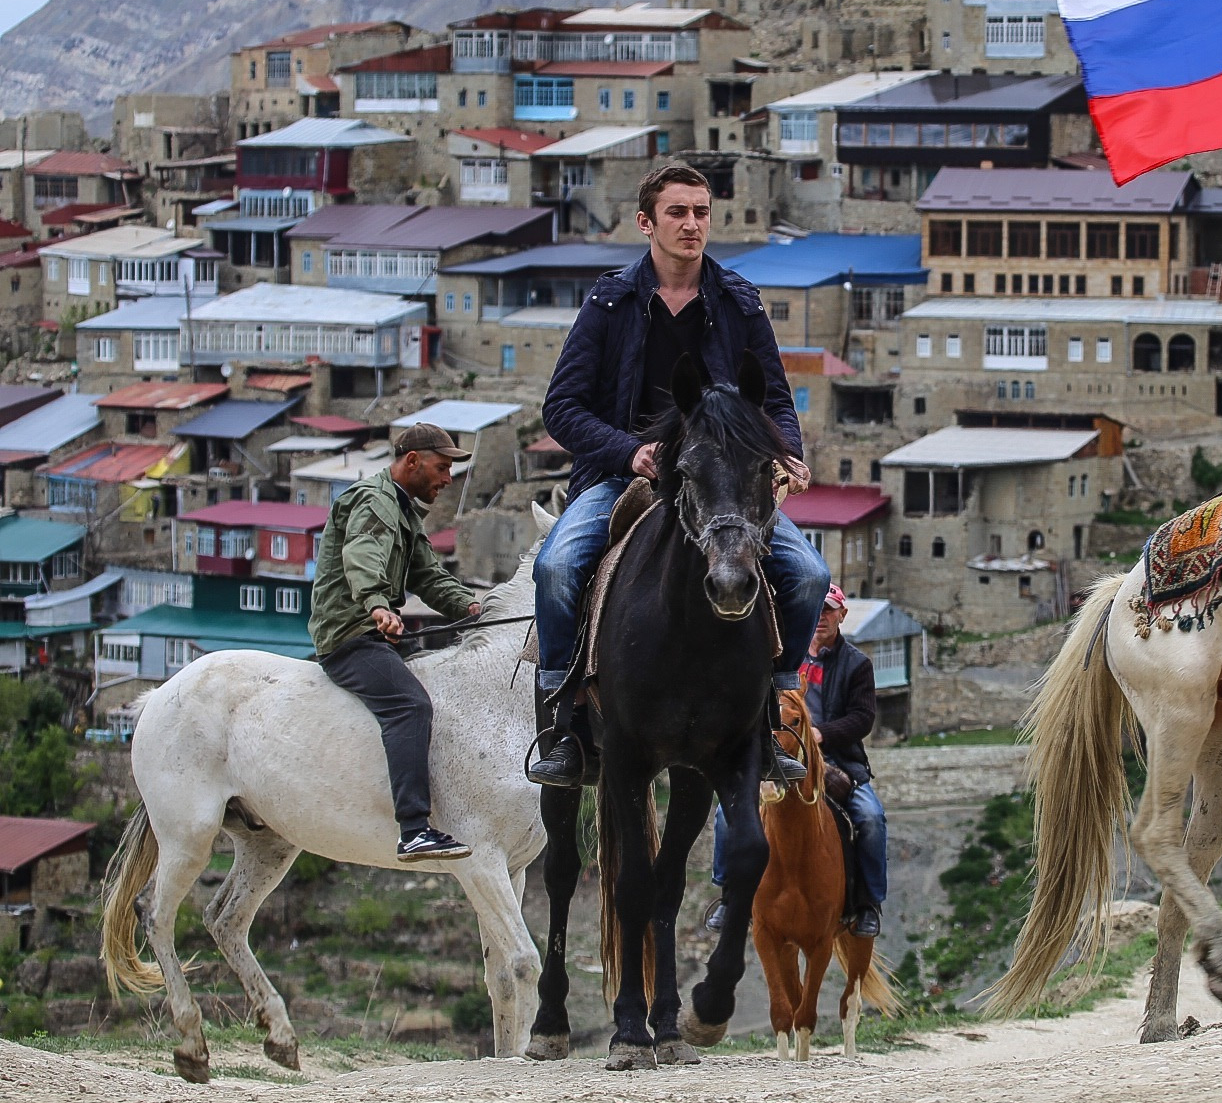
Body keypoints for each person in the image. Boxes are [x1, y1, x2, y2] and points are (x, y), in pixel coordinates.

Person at [527, 163, 829, 788]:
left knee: (807, 576)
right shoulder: (609, 302)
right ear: (647, 223)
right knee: (556, 568)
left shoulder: (740, 302)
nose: (692, 224)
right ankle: (562, 723)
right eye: (677, 213)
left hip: (721, 479)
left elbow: (773, 400)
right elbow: (561, 407)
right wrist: (625, 451)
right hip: (624, 473)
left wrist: (787, 453)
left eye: (700, 212)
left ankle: (773, 713)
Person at [310, 423, 482, 861]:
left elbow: (428, 577)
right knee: (411, 705)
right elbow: (362, 556)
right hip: (351, 635)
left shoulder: (405, 511)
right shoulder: (376, 500)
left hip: (377, 630)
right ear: (412, 461)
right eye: (442, 468)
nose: (447, 479)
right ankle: (414, 829)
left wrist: (475, 607)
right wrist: (376, 605)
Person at [707, 584, 887, 937]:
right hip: (778, 752)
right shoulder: (781, 659)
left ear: (842, 616)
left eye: (829, 611)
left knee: (871, 818)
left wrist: (820, 735)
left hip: (836, 758)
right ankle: (729, 897)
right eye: (815, 611)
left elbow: (863, 717)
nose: (820, 618)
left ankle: (868, 904)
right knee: (726, 815)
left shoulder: (857, 664)